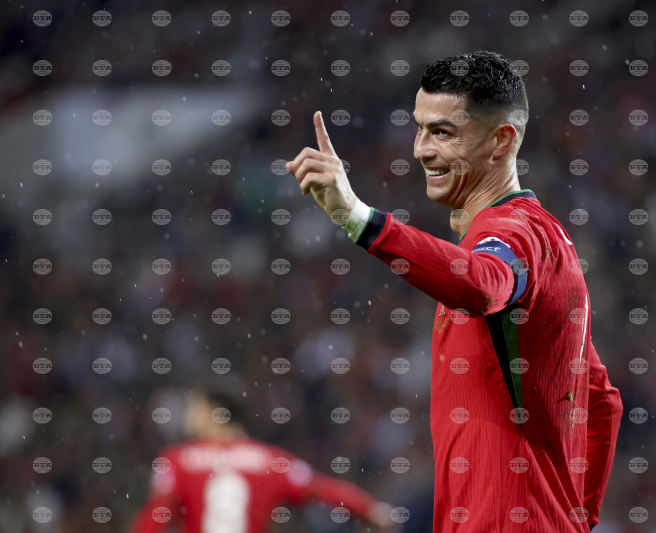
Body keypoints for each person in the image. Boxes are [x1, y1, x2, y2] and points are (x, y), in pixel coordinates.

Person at [286, 50, 624, 532]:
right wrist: (575, 519)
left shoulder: (512, 234)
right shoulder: (549, 240)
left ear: (501, 141)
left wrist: (358, 218)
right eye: (420, 129)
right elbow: (601, 404)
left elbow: (482, 284)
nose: (421, 150)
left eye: (443, 132)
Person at [128, 386, 395, 533]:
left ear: (215, 413)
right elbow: (323, 489)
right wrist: (370, 509)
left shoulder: (178, 460)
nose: (187, 417)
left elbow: (156, 516)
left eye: (194, 409)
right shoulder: (270, 461)